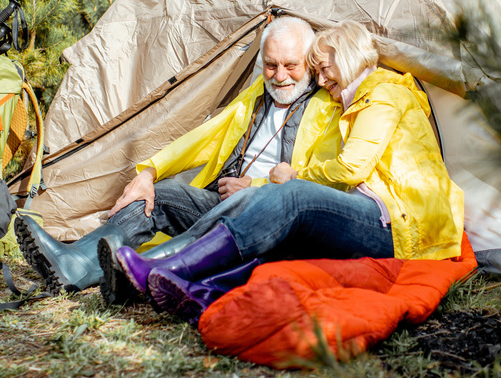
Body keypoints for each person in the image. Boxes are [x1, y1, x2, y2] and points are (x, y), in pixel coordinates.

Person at [103, 20, 465, 325]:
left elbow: (351, 167)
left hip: (400, 225)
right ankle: (178, 286)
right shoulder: (341, 98)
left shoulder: (382, 94)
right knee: (182, 199)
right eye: (317, 70)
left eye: (322, 68)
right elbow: (201, 138)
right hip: (372, 212)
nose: (321, 80)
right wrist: (149, 169)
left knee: (290, 198)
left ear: (349, 59)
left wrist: (286, 178)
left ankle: (163, 268)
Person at [14, 16, 342, 297]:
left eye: (290, 66)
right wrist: (150, 173)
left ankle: (133, 276)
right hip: (222, 200)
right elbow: (205, 136)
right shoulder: (259, 94)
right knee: (163, 195)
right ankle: (75, 263)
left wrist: (256, 188)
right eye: (270, 65)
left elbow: (317, 181)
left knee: (223, 218)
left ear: (310, 64)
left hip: (271, 221)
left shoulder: (327, 108)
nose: (280, 76)